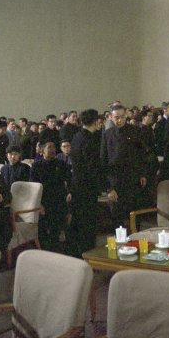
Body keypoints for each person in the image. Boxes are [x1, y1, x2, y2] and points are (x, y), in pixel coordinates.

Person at [66, 109, 108, 258]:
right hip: (87, 186)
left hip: (76, 184)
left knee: (78, 221)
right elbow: (93, 167)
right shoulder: (90, 140)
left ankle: (75, 254)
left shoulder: (76, 136)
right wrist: (106, 187)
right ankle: (88, 255)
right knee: (88, 223)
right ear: (96, 121)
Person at [30, 142, 71, 251]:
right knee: (43, 231)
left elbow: (69, 179)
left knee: (56, 230)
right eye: (49, 147)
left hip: (58, 200)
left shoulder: (61, 164)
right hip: (43, 201)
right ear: (42, 150)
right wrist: (39, 203)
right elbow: (33, 186)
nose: (53, 149)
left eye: (54, 147)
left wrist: (69, 192)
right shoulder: (36, 166)